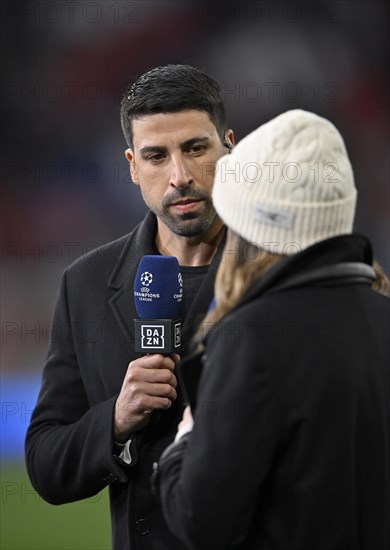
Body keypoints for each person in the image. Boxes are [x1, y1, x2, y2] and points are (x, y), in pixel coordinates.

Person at [154, 109, 390, 550]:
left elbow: (200, 522)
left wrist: (183, 444)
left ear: (251, 223)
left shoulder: (251, 339)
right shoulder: (382, 314)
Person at [25, 64, 234, 550]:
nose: (179, 176)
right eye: (156, 156)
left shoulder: (282, 273)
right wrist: (115, 420)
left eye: (195, 148)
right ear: (132, 166)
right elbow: (45, 463)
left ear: (229, 145)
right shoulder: (87, 285)